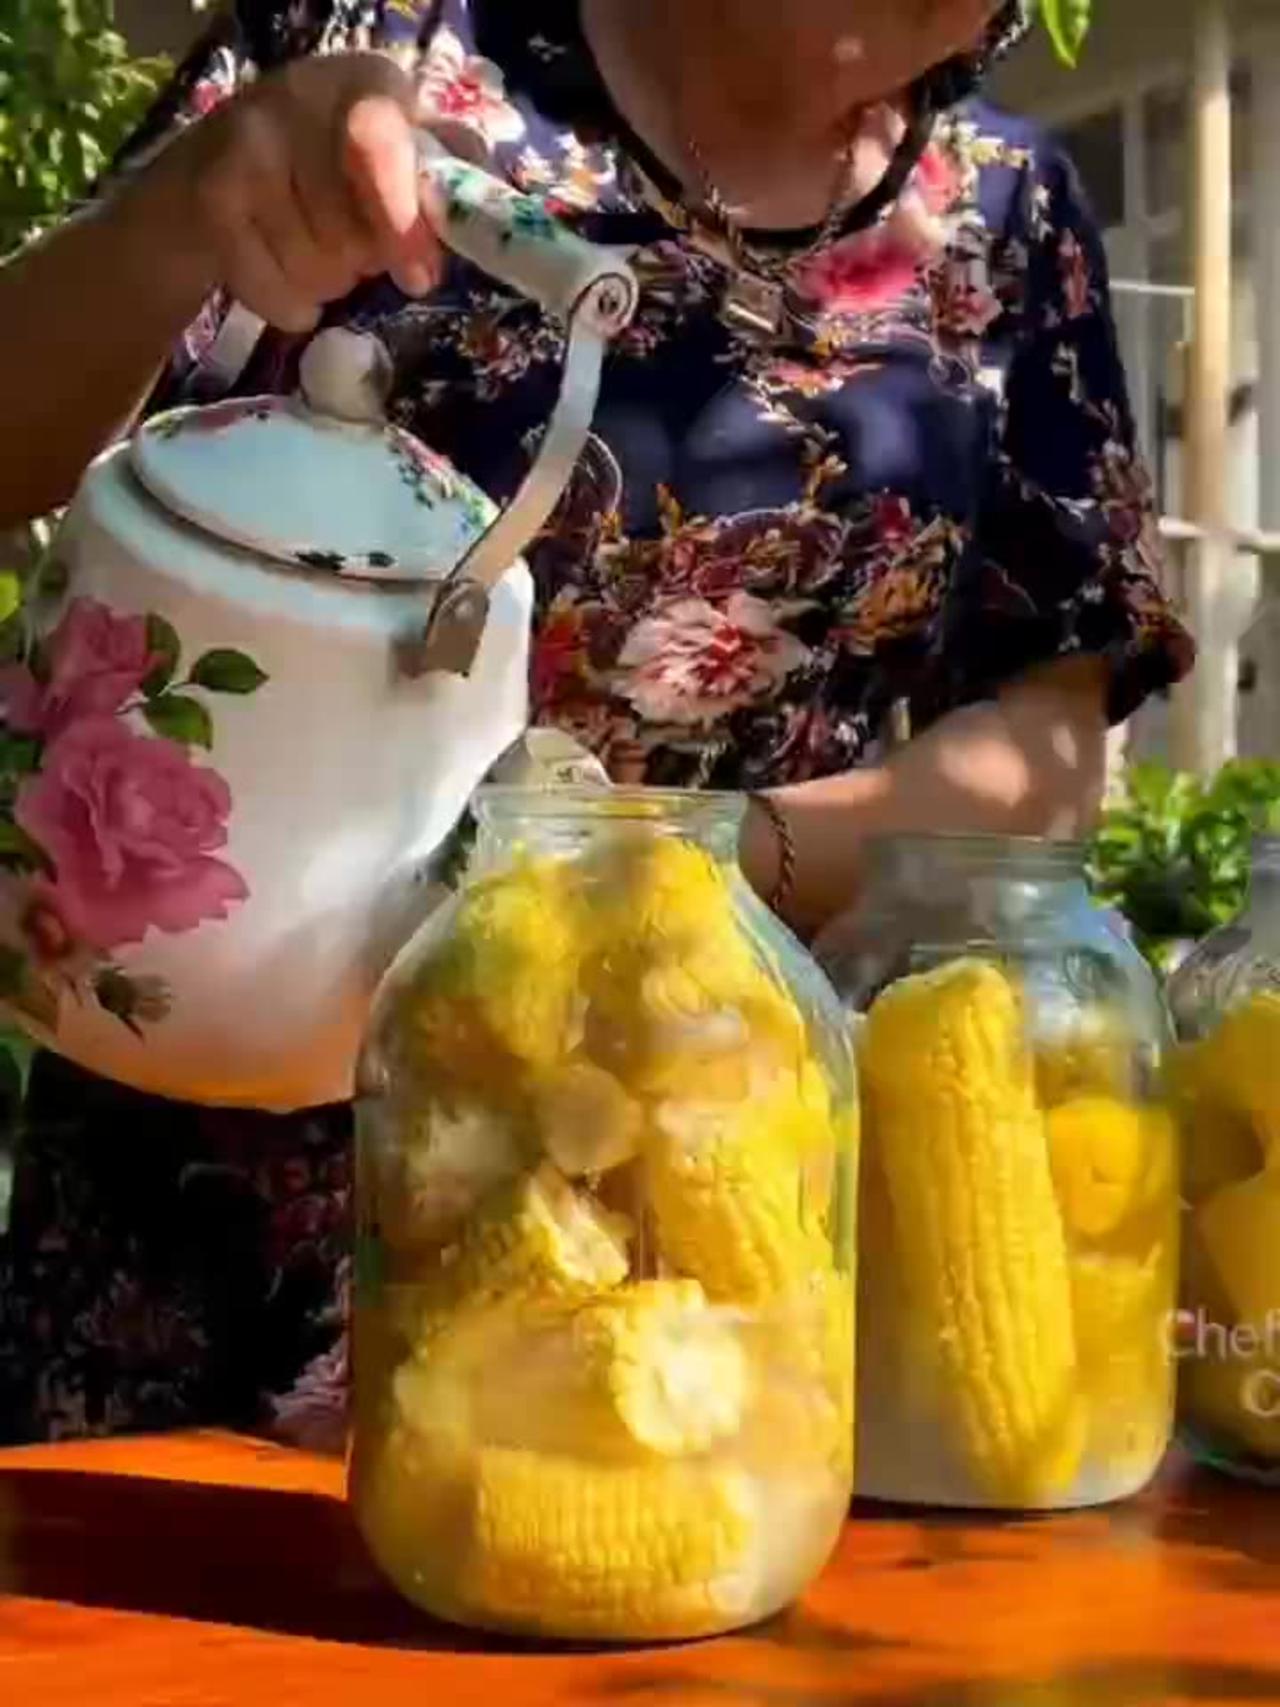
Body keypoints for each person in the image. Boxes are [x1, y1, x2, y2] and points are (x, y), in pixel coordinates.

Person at [0, 0, 1194, 1445]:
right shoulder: (390, 41)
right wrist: (183, 212)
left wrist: (651, 873)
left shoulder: (1009, 217)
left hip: (678, 1212)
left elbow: (1045, 760)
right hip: (197, 1183)